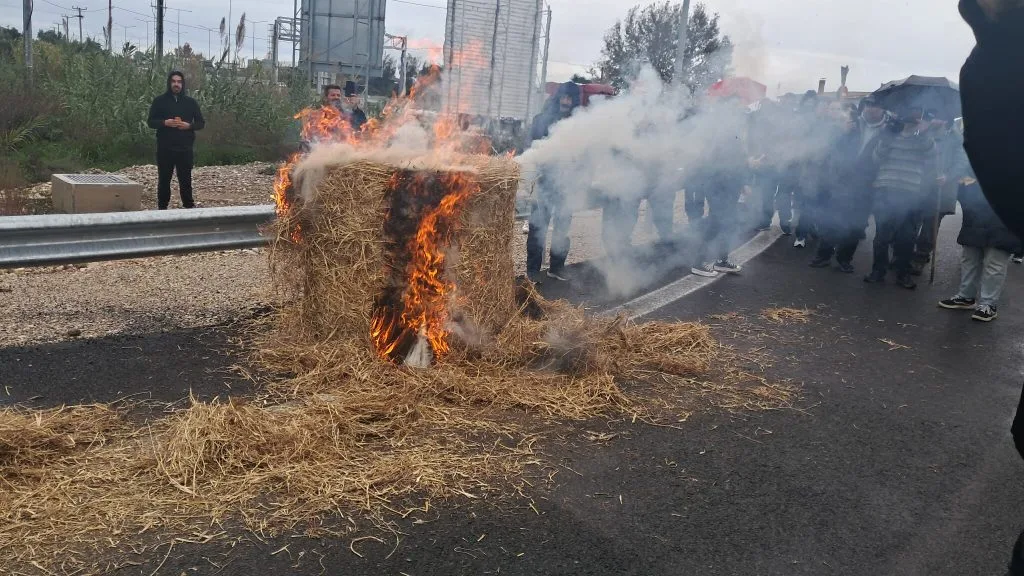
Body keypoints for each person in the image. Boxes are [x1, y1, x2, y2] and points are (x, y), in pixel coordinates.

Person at [958, 0, 1024, 572]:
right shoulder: (990, 70)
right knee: (978, 259)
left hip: (1001, 224)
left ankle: (984, 302)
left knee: (995, 265)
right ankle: (971, 295)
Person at [863, 107, 937, 289]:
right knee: (882, 235)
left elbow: (933, 158)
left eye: (916, 116)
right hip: (885, 189)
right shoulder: (889, 135)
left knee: (907, 237)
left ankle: (902, 274)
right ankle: (877, 271)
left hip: (911, 192)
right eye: (910, 116)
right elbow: (876, 158)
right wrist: (886, 140)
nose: (912, 120)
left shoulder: (924, 139)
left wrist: (924, 133)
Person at [809, 98, 884, 273]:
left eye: (876, 106)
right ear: (863, 107)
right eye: (868, 105)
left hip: (866, 184)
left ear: (882, 110)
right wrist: (842, 132)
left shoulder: (887, 130)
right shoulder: (850, 123)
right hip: (840, 181)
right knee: (832, 221)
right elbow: (829, 146)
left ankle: (844, 259)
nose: (872, 109)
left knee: (856, 225)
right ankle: (823, 256)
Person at [937, 169, 1019, 322]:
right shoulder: (977, 159)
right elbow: (962, 188)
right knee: (969, 259)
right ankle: (966, 296)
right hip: (975, 217)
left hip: (1003, 219)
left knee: (994, 263)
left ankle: (989, 304)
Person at [525, 82, 581, 283]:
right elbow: (531, 146)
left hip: (566, 184)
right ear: (558, 97)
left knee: (563, 227)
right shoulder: (543, 119)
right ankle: (532, 271)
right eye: (564, 97)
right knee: (537, 227)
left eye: (571, 98)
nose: (566, 101)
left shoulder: (579, 122)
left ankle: (557, 267)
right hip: (544, 182)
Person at [147, 70, 205, 210]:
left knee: (185, 180)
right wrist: (164, 123)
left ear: (183, 84)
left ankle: (189, 207)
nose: (176, 84)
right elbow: (150, 122)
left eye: (179, 82)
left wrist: (189, 126)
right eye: (173, 81)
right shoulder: (159, 101)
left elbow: (201, 123)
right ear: (169, 83)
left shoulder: (191, 102)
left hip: (184, 148)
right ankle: (162, 208)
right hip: (165, 148)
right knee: (164, 180)